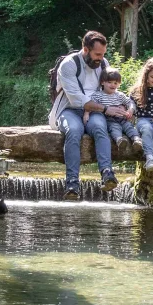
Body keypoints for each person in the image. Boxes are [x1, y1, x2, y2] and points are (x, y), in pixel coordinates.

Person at [49, 31, 119, 200]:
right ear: (86, 50)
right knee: (73, 131)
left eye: (103, 54)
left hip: (95, 110)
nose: (101, 58)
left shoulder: (103, 64)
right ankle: (72, 182)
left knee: (100, 128)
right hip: (69, 109)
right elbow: (77, 99)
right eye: (97, 54)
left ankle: (107, 174)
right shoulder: (68, 65)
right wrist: (105, 109)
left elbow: (109, 91)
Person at [85, 69, 144, 156]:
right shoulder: (98, 95)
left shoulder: (120, 95)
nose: (113, 85)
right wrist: (86, 114)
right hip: (109, 119)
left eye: (115, 83)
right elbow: (91, 105)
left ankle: (136, 140)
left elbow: (130, 102)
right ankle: (119, 140)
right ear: (102, 82)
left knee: (129, 127)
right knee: (114, 128)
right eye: (110, 82)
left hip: (122, 118)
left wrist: (130, 110)